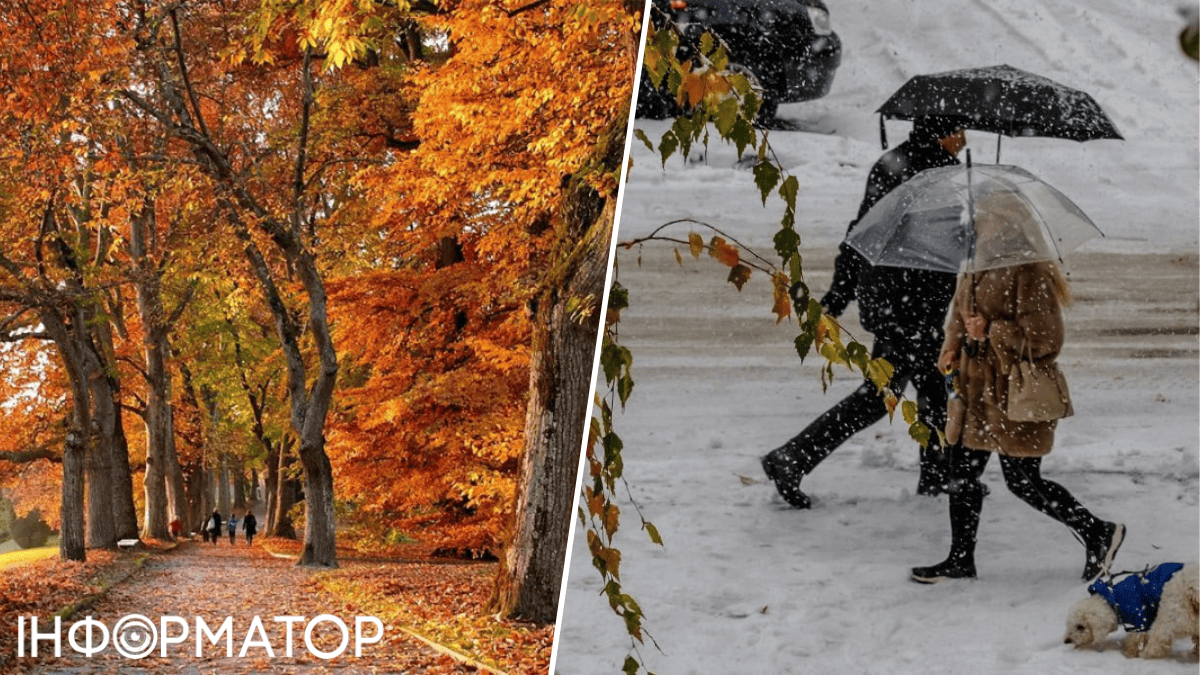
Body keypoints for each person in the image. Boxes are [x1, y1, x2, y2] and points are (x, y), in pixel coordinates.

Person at [911, 203, 1125, 582]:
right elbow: (959, 318)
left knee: (1023, 481)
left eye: (984, 218)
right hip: (973, 389)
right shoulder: (974, 265)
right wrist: (952, 344)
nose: (975, 224)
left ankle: (1097, 531)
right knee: (961, 471)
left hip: (1011, 393)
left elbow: (1045, 340)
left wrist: (990, 330)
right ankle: (960, 558)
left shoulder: (1030, 271)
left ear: (1007, 224)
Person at [762, 115, 967, 508]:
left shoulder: (895, 164)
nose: (965, 138)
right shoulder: (939, 176)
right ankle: (790, 458)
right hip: (912, 303)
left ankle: (939, 474)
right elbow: (947, 240)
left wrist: (841, 293)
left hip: (895, 298)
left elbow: (859, 233)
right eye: (959, 131)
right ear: (942, 134)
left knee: (932, 385)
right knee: (881, 396)